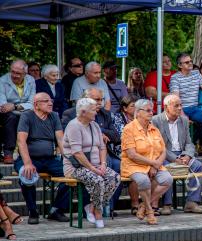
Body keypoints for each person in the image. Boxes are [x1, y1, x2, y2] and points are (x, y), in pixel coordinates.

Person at [63, 98, 120, 228]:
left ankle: (93, 207)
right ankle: (98, 212)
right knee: (98, 180)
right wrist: (93, 169)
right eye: (93, 110)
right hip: (75, 167)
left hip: (95, 165)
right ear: (83, 112)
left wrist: (103, 164)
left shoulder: (94, 125)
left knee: (114, 177)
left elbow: (102, 147)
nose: (96, 112)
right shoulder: (74, 126)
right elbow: (77, 153)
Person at [14, 92, 70, 224]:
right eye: (46, 101)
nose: (50, 103)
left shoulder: (54, 116)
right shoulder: (26, 116)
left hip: (50, 159)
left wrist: (68, 160)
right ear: (36, 104)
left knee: (70, 173)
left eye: (50, 100)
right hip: (29, 158)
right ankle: (33, 211)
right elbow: (21, 141)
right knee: (26, 174)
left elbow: (60, 139)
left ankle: (56, 209)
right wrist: (27, 163)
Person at [152, 94, 202, 214]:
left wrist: (187, 155)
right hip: (165, 155)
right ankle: (167, 204)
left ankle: (192, 202)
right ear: (166, 107)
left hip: (182, 154)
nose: (180, 108)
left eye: (181, 105)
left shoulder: (184, 120)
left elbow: (189, 142)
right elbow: (158, 147)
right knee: (165, 168)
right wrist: (174, 159)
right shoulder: (156, 120)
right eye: (176, 106)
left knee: (198, 166)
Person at [121, 99, 172, 225]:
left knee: (167, 179)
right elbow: (132, 154)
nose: (152, 113)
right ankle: (149, 212)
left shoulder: (154, 129)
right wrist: (152, 163)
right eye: (148, 110)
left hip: (154, 165)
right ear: (138, 112)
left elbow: (163, 151)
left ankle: (143, 205)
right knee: (143, 181)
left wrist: (156, 164)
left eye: (152, 110)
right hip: (134, 165)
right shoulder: (129, 129)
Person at [169, 53, 202, 148]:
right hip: (180, 109)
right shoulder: (175, 77)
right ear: (179, 65)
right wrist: (181, 114)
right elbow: (175, 98)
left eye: (191, 61)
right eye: (187, 62)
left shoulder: (196, 74)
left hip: (195, 109)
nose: (190, 63)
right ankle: (181, 149)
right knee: (180, 120)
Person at [0, 59, 36, 164]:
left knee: (33, 116)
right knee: (11, 117)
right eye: (13, 72)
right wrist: (12, 108)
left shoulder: (31, 80)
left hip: (22, 110)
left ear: (25, 73)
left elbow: (32, 102)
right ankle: (8, 152)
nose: (14, 75)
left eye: (18, 73)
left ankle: (28, 152)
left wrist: (15, 106)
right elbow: (3, 105)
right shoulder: (2, 80)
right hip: (6, 113)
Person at [111, 95, 140, 215]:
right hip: (120, 153)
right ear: (124, 108)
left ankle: (137, 205)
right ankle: (111, 206)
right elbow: (119, 137)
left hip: (138, 153)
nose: (136, 109)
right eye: (133, 106)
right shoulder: (116, 118)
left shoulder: (140, 119)